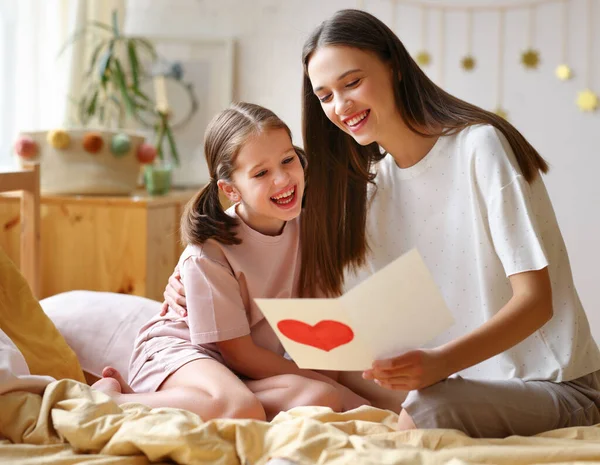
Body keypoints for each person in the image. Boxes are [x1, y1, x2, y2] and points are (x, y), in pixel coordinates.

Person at [163, 10, 600, 437]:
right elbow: (263, 224)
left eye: (352, 82)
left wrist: (442, 363)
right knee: (348, 389)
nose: (341, 105)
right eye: (325, 95)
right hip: (455, 383)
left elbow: (537, 302)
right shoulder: (371, 192)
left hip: (556, 385)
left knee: (428, 407)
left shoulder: (479, 147)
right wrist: (193, 273)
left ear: (394, 67)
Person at [93, 102, 369, 421]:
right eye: (261, 173)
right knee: (241, 407)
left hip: (239, 371)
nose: (282, 179)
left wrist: (333, 388)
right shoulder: (208, 252)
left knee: (321, 397)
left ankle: (197, 399)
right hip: (183, 355)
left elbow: (320, 336)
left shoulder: (311, 229)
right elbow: (239, 353)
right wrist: (345, 393)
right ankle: (115, 398)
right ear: (231, 189)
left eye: (287, 160)